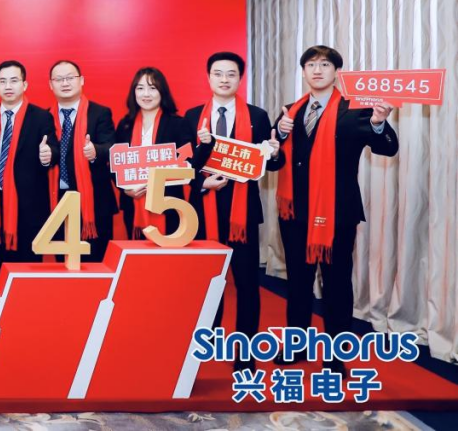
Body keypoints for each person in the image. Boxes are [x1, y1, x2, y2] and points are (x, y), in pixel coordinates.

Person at [273, 45, 398, 377]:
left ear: (336, 72)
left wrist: (378, 123)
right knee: (298, 282)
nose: (317, 70)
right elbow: (274, 161)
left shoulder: (356, 109)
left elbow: (388, 148)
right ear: (303, 71)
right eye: (311, 65)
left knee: (337, 284)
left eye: (325, 64)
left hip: (337, 214)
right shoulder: (290, 111)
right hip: (294, 215)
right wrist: (277, 136)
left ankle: (335, 355)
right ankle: (296, 345)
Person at [182, 52, 282, 371]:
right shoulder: (192, 117)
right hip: (203, 212)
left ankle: (245, 352)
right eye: (218, 73)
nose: (224, 79)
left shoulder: (257, 116)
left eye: (231, 74)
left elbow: (270, 164)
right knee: (207, 282)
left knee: (247, 284)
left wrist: (275, 153)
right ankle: (208, 341)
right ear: (208, 77)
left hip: (243, 215)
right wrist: (202, 176)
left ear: (240, 78)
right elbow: (183, 165)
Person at [47, 60, 116, 263]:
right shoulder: (44, 117)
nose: (65, 83)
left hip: (94, 200)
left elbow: (111, 146)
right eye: (59, 79)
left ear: (81, 80)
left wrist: (95, 152)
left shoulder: (100, 113)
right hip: (57, 199)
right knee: (63, 263)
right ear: (51, 84)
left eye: (70, 78)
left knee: (96, 263)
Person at [0, 60, 56, 267]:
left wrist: (48, 155)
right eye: (3, 81)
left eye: (14, 81)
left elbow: (53, 147)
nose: (8, 86)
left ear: (24, 85)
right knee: (2, 264)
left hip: (29, 205)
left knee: (29, 266)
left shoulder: (41, 117)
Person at [114, 67, 185, 240]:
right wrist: (125, 188)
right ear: (134, 92)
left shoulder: (177, 123)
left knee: (167, 253)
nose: (146, 94)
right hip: (133, 203)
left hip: (168, 203)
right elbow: (115, 163)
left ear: (162, 92)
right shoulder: (125, 125)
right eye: (140, 88)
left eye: (152, 88)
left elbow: (187, 159)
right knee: (138, 251)